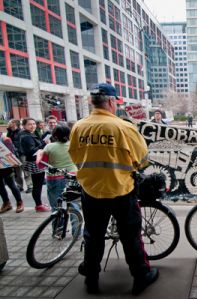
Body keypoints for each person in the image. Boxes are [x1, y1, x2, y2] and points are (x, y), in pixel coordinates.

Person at [68, 83, 158, 295]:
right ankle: (140, 276)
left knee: (93, 236)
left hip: (90, 192)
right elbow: (143, 161)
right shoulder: (123, 127)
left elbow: (74, 156)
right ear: (111, 101)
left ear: (92, 101)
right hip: (121, 191)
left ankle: (91, 279)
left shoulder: (79, 127)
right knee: (131, 237)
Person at [38, 125, 77, 211]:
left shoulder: (49, 147)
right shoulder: (74, 145)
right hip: (72, 176)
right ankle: (76, 224)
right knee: (73, 204)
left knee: (56, 206)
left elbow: (41, 165)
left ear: (54, 135)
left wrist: (40, 153)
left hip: (54, 177)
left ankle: (58, 223)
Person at [19, 118, 51, 212]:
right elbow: (32, 151)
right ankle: (38, 205)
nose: (32, 126)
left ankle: (39, 203)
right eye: (29, 124)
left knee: (38, 184)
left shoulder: (28, 134)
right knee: (37, 185)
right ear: (24, 126)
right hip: (34, 162)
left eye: (33, 124)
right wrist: (44, 144)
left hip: (34, 162)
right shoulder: (27, 136)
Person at [0, 132, 24, 213]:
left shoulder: (5, 139)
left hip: (6, 166)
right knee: (0, 187)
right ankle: (6, 203)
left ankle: (19, 203)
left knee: (12, 185)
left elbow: (11, 153)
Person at [6, 119, 28, 192]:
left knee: (25, 170)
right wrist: (9, 130)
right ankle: (19, 186)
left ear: (16, 124)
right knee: (16, 171)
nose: (10, 125)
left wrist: (20, 150)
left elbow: (22, 142)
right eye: (10, 123)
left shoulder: (21, 132)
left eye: (12, 123)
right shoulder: (10, 132)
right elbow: (7, 141)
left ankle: (29, 185)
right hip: (13, 154)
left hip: (21, 154)